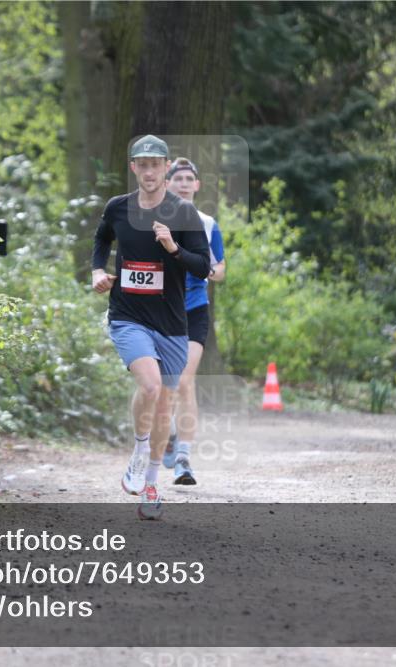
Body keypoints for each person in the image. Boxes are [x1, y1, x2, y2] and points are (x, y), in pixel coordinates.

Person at [92, 135, 210, 519]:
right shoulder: (118, 208)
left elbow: (202, 266)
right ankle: (140, 450)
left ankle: (153, 483)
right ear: (133, 168)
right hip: (128, 315)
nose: (148, 171)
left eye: (154, 164)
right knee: (150, 384)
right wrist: (97, 270)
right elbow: (101, 237)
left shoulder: (183, 214)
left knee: (165, 406)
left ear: (165, 167)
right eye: (141, 164)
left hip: (173, 323)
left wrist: (173, 247)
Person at [160, 157, 225, 485]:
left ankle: (184, 458)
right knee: (160, 385)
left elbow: (221, 269)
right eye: (178, 178)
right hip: (159, 310)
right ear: (167, 183)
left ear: (198, 185)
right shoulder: (156, 220)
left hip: (194, 309)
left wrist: (202, 268)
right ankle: (169, 434)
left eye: (189, 179)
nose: (184, 183)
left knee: (184, 381)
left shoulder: (208, 223)